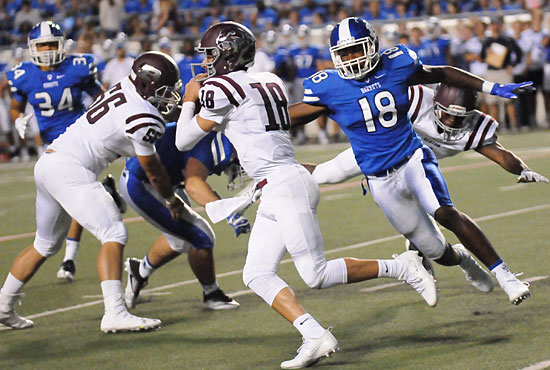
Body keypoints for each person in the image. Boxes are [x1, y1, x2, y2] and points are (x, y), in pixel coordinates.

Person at [176, 21, 437, 369]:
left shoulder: (219, 88)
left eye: (210, 54)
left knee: (315, 274)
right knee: (256, 273)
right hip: (275, 185)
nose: (206, 61)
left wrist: (188, 102)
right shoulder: (268, 79)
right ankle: (314, 335)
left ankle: (402, 266)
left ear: (227, 53)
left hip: (283, 184)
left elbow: (182, 140)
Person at [289, 17, 534, 306]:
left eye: (357, 50)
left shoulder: (397, 63)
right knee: (436, 252)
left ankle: (507, 277)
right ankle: (464, 260)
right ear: (334, 56)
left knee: (445, 212)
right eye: (345, 53)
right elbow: (288, 116)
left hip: (412, 158)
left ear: (373, 46)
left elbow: (442, 72)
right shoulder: (327, 86)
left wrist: (491, 88)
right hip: (380, 180)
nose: (352, 58)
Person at [0, 51, 184, 333]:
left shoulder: (125, 86)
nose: (169, 97)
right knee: (114, 233)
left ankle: (3, 307)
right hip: (72, 170)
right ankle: (115, 312)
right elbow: (153, 169)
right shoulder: (145, 116)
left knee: (44, 245)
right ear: (147, 84)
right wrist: (171, 199)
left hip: (50, 162)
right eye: (165, 91)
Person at [308, 82, 548, 280]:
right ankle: (279, 173)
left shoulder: (473, 127)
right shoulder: (415, 100)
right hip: (382, 153)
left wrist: (522, 169)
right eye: (448, 113)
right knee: (326, 174)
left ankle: (437, 255)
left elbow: (500, 153)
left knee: (432, 236)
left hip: (416, 167)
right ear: (435, 103)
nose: (452, 121)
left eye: (459, 116)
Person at [5, 21, 119, 283]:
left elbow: (103, 98)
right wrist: (17, 119)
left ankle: (69, 260)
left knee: (74, 203)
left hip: (80, 143)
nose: (46, 50)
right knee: (61, 209)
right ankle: (107, 194)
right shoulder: (23, 74)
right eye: (41, 45)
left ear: (61, 45)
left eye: (50, 44)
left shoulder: (78, 67)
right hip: (52, 150)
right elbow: (15, 106)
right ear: (32, 48)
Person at [121, 125, 249, 310]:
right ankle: (212, 293)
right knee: (202, 236)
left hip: (163, 180)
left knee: (180, 241)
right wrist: (229, 214)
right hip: (143, 184)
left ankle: (140, 271)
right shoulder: (213, 146)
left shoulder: (214, 140)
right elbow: (194, 184)